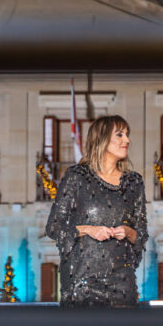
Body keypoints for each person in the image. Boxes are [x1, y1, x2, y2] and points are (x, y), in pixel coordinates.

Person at [45, 115, 148, 307]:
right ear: (102, 138)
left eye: (127, 135)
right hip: (81, 284)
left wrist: (128, 232)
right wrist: (88, 229)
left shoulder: (134, 182)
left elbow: (141, 234)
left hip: (122, 285)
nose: (127, 140)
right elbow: (54, 227)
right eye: (120, 135)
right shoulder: (77, 176)